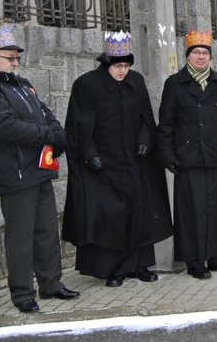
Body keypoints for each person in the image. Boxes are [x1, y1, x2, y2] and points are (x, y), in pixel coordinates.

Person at [0, 26, 79, 314]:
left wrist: (57, 133)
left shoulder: (21, 84)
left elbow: (45, 113)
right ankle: (22, 293)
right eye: (10, 57)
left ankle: (51, 283)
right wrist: (47, 136)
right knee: (20, 237)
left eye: (17, 57)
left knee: (46, 231)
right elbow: (5, 127)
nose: (16, 62)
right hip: (14, 173)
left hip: (39, 168)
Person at [62, 31, 173, 287]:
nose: (122, 71)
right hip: (103, 165)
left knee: (139, 212)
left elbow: (146, 117)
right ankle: (112, 268)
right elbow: (78, 127)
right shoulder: (87, 85)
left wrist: (145, 141)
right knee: (109, 217)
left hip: (134, 162)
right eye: (117, 66)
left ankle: (139, 265)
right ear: (107, 64)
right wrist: (90, 155)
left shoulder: (136, 81)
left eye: (126, 65)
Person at [156, 30, 217, 280]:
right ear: (188, 56)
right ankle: (195, 261)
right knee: (191, 211)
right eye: (196, 52)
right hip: (188, 157)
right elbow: (166, 125)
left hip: (215, 156)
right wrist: (169, 156)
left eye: (205, 53)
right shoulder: (174, 84)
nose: (201, 57)